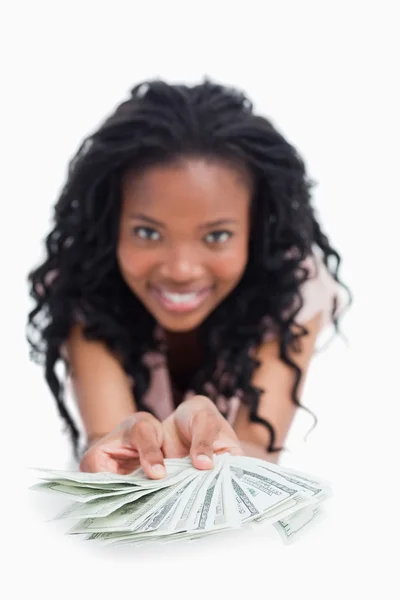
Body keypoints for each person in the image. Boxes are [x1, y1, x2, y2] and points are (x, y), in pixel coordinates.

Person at [27, 78, 350, 480]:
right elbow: (108, 448)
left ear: (256, 229)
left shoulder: (292, 291)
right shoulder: (86, 286)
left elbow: (257, 457)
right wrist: (122, 448)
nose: (181, 270)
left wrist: (222, 449)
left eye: (217, 236)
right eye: (148, 232)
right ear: (113, 227)